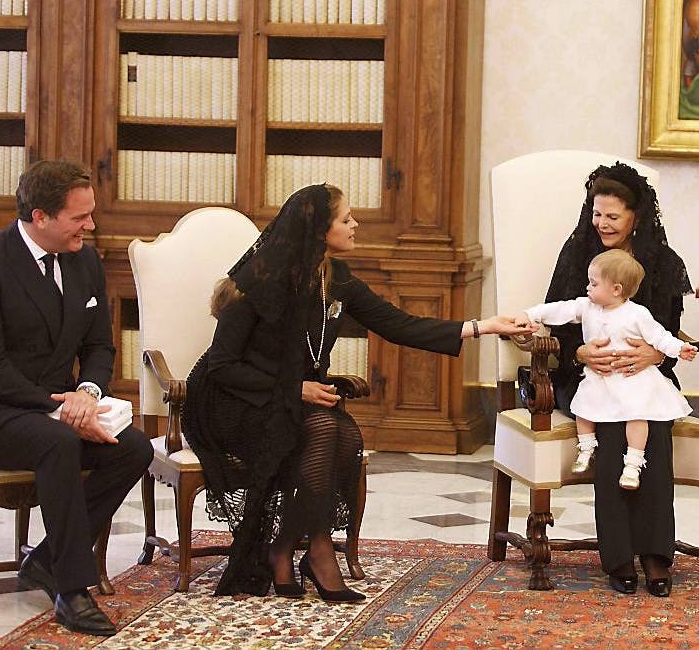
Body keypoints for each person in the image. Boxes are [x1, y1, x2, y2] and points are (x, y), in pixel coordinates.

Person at [181, 184, 533, 601]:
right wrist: (295, 390)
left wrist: (483, 327)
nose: (355, 225)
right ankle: (317, 552)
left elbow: (400, 324)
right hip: (232, 405)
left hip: (292, 401)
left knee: (344, 434)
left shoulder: (336, 280)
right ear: (318, 231)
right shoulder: (257, 283)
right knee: (328, 431)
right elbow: (221, 368)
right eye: (346, 219)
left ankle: (291, 548)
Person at [0, 159, 154, 637]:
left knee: (135, 449)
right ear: (41, 217)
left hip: (55, 409)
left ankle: (45, 559)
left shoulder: (86, 261)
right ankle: (72, 591)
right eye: (80, 217)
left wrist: (86, 391)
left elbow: (100, 346)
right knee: (57, 441)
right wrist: (60, 409)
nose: (91, 225)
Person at [544, 162, 693, 597]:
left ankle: (656, 555)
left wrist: (651, 354)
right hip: (588, 376)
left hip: (645, 377)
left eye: (613, 215)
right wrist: (579, 351)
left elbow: (667, 328)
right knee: (611, 436)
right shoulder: (578, 255)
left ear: (636, 216)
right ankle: (619, 556)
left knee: (653, 432)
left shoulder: (664, 261)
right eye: (597, 213)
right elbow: (560, 317)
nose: (602, 223)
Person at [517, 249, 697, 490]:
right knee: (583, 408)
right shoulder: (587, 307)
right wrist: (531, 314)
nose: (587, 288)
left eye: (594, 283)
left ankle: (633, 463)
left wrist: (679, 349)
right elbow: (560, 309)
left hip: (631, 378)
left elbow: (659, 337)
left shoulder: (637, 314)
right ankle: (586, 447)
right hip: (600, 377)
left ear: (616, 289)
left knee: (637, 416)